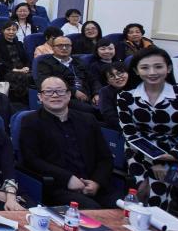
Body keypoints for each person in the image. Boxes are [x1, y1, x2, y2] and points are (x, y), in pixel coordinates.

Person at [116, 47, 178, 209]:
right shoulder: (126, 96)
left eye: (158, 66)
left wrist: (170, 156)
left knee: (159, 198)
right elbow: (130, 133)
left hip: (175, 154)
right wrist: (156, 159)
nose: (152, 72)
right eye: (145, 67)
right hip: (138, 150)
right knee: (140, 193)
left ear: (168, 68)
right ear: (136, 71)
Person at [18, 76, 118, 208]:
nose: (55, 95)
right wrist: (67, 178)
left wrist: (96, 182)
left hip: (94, 185)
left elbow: (105, 157)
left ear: (69, 94)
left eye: (60, 91)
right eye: (48, 91)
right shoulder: (31, 122)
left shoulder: (88, 120)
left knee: (126, 208)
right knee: (92, 209)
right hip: (58, 186)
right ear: (40, 97)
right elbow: (32, 160)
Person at [35, 35, 97, 106]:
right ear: (53, 47)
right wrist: (74, 92)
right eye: (60, 45)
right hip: (64, 98)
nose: (64, 48)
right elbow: (48, 84)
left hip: (88, 96)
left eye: (67, 45)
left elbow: (93, 79)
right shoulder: (45, 63)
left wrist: (96, 93)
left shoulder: (78, 61)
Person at [97, 63, 130, 130]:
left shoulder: (139, 86)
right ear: (107, 81)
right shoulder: (104, 92)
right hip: (122, 127)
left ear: (127, 73)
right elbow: (109, 115)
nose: (117, 77)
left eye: (119, 73)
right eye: (111, 76)